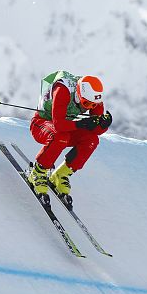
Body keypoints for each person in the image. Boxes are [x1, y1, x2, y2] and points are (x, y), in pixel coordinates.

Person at [27, 70, 113, 208]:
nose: (90, 108)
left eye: (93, 105)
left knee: (92, 140)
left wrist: (103, 125)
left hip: (66, 127)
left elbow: (95, 130)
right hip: (41, 124)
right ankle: (38, 172)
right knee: (61, 136)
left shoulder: (94, 99)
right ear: (79, 94)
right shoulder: (63, 89)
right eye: (87, 104)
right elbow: (59, 124)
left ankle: (61, 175)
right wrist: (81, 123)